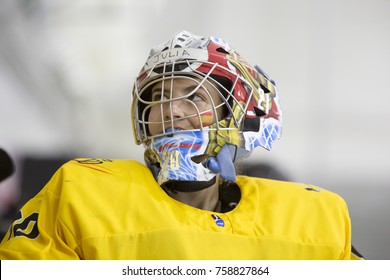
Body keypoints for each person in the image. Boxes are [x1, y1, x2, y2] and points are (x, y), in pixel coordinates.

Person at [0, 31, 363, 260]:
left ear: (239, 114)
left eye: (194, 96)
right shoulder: (80, 194)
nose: (170, 110)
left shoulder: (316, 218)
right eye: (158, 97)